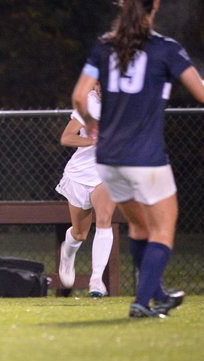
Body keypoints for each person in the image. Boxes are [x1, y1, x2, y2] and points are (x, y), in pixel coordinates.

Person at [71, 0, 204, 318]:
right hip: (145, 156)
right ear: (154, 6)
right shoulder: (166, 48)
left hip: (108, 158)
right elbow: (200, 93)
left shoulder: (105, 46)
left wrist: (89, 122)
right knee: (163, 228)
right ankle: (142, 302)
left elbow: (78, 97)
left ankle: (157, 295)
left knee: (140, 227)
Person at [56, 82, 116, 297]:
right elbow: (67, 137)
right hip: (80, 174)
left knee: (104, 220)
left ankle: (96, 281)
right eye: (99, 82)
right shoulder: (88, 104)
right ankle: (67, 254)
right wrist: (96, 141)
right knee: (80, 234)